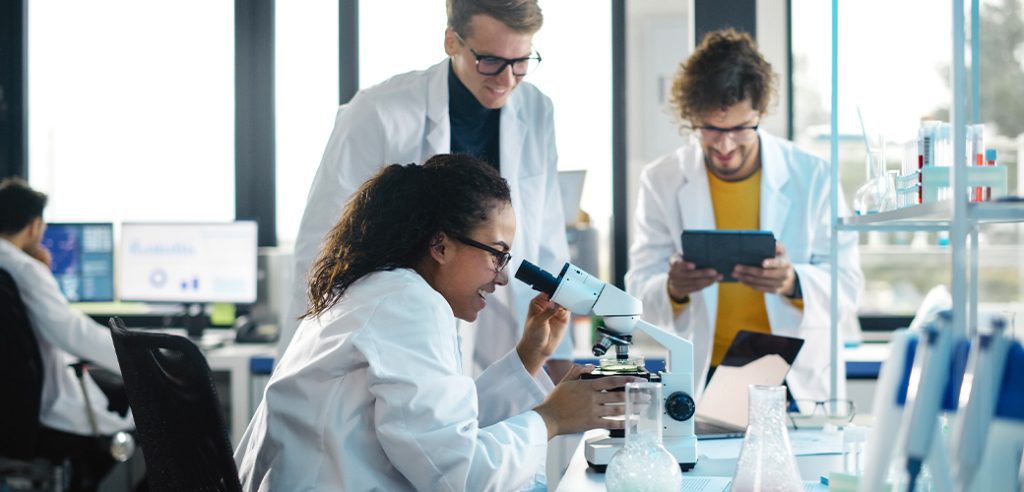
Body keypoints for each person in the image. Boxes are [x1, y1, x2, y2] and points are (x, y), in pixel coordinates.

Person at [236, 154, 631, 491]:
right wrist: (553, 417)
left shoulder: (382, 291)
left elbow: (441, 431)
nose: (503, 276)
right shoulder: (406, 303)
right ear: (440, 245)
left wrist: (529, 355)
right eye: (497, 254)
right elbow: (459, 475)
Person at [283, 0, 573, 380]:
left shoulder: (537, 109)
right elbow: (323, 241)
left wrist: (559, 350)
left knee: (486, 417)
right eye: (490, 61)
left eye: (520, 62)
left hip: (498, 311)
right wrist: (317, 355)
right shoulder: (378, 111)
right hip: (399, 318)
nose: (506, 79)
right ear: (452, 42)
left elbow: (546, 229)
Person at [625, 29, 864, 402]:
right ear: (691, 117)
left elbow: (847, 286)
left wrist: (793, 281)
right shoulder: (662, 180)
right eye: (710, 129)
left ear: (761, 112)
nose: (724, 145)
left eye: (739, 129)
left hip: (792, 376)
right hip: (707, 371)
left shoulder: (814, 176)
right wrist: (673, 288)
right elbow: (638, 287)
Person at [0, 177, 134, 491]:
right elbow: (72, 333)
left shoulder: (14, 265)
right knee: (152, 411)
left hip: (14, 409)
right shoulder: (23, 269)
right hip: (44, 414)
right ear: (33, 227)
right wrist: (138, 356)